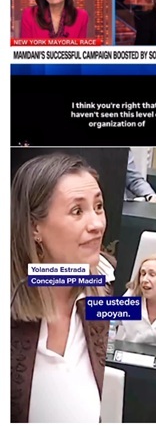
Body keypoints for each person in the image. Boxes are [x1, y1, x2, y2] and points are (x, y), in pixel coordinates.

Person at [11, 154, 114, 422]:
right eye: (77, 211)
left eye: (99, 207)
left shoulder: (101, 285)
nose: (97, 224)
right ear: (35, 228)